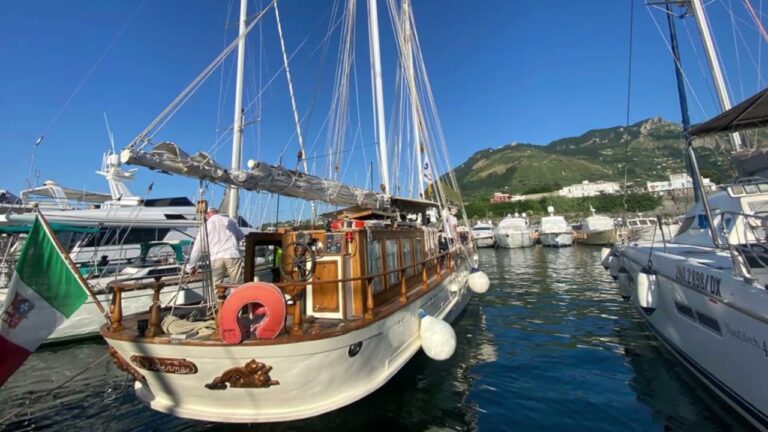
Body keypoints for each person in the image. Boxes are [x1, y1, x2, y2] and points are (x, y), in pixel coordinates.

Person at [187, 208, 245, 285]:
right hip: (232, 255)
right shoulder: (230, 221)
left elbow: (197, 248)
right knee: (235, 285)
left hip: (216, 257)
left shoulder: (205, 226)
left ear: (207, 214)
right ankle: (235, 296)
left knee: (217, 286)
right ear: (216, 212)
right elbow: (241, 236)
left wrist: (192, 265)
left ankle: (218, 297)